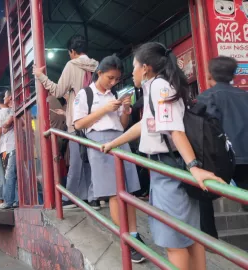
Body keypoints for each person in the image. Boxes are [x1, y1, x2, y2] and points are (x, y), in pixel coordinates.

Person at [101, 42, 225, 270]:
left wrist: (194, 166)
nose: (133, 72)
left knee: (174, 242)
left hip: (171, 171)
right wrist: (113, 143)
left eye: (135, 66)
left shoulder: (159, 87)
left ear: (146, 68)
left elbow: (175, 130)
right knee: (189, 236)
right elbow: (144, 126)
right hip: (166, 171)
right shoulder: (154, 88)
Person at [72, 55, 144, 263]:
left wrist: (126, 109)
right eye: (110, 78)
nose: (113, 83)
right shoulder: (85, 94)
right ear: (99, 73)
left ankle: (134, 234)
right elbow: (78, 124)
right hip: (99, 142)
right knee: (114, 193)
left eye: (116, 80)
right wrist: (105, 109)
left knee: (129, 190)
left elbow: (122, 124)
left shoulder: (115, 94)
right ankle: (126, 239)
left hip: (119, 139)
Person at [33, 34, 100, 209]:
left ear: (72, 51)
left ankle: (71, 196)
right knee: (92, 159)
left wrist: (40, 76)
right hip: (96, 120)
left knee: (77, 161)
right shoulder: (97, 66)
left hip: (78, 121)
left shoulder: (72, 65)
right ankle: (93, 197)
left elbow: (57, 90)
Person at [197, 56, 248, 215]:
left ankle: (208, 238)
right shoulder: (245, 96)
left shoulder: (205, 98)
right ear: (233, 75)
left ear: (209, 74)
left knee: (204, 201)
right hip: (245, 159)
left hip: (220, 161)